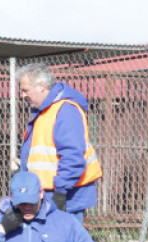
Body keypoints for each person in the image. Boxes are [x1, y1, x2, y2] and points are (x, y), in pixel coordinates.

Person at [16, 61, 102, 223]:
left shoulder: (65, 110)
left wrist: (61, 192)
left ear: (41, 86)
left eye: (25, 90)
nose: (22, 95)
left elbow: (73, 155)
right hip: (47, 194)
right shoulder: (44, 111)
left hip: (65, 196)